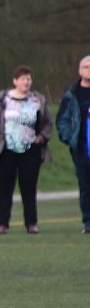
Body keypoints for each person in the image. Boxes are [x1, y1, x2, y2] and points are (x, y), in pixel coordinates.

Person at [0, 65, 52, 234]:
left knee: (29, 187)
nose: (26, 82)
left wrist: (42, 137)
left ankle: (31, 223)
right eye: (23, 79)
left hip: (30, 150)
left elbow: (48, 122)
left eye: (29, 79)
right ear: (15, 81)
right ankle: (2, 223)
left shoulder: (38, 99)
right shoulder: (3, 98)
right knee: (5, 187)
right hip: (6, 149)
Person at [55, 55, 90, 233]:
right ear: (79, 70)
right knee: (85, 186)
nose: (89, 69)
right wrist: (70, 138)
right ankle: (88, 222)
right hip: (82, 148)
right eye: (86, 66)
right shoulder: (72, 94)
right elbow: (62, 121)